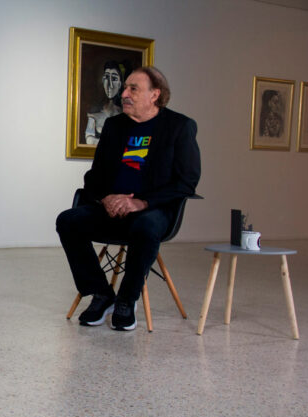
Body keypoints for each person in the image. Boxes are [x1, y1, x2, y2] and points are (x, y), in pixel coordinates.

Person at [56, 66, 200, 331]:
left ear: (155, 94)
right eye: (125, 88)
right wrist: (106, 198)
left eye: (133, 88)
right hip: (111, 210)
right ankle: (101, 294)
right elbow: (94, 176)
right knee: (67, 220)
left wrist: (141, 202)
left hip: (152, 212)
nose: (124, 94)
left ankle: (126, 299)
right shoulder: (114, 126)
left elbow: (186, 181)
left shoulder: (179, 127)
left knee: (146, 226)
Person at [84, 61, 123, 145]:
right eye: (106, 77)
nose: (110, 85)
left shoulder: (126, 115)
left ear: (120, 84)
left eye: (114, 79)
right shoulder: (94, 113)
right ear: (102, 80)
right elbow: (89, 140)